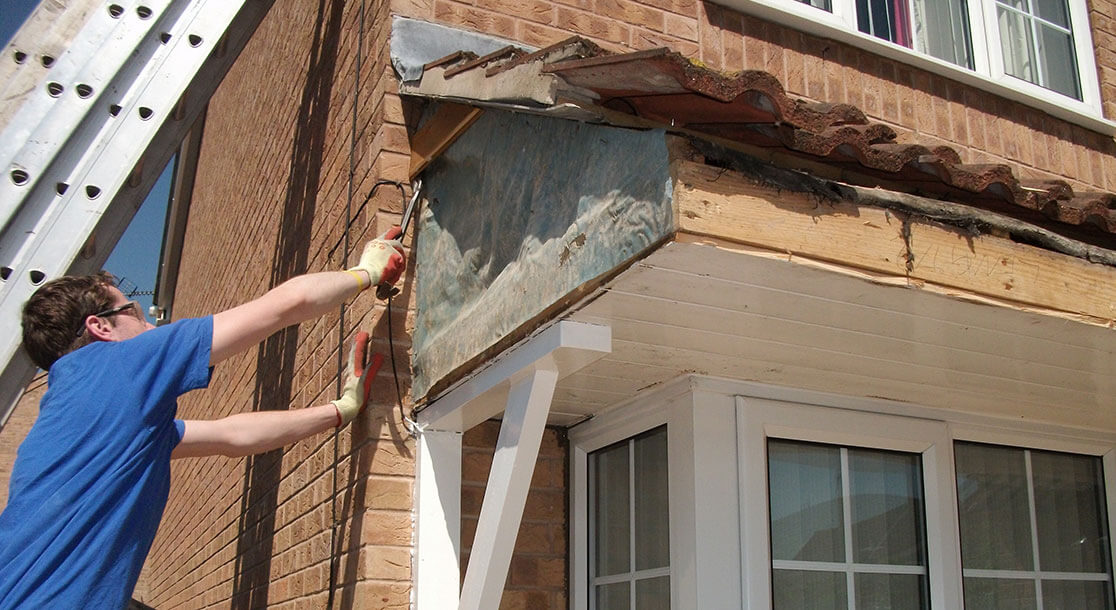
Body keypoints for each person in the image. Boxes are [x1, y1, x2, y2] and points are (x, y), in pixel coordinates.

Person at [0, 227, 406, 608]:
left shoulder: (91, 417)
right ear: (100, 327)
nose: (151, 323)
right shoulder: (112, 366)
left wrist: (340, 410)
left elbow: (230, 436)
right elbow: (283, 307)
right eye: (134, 311)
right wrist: (366, 273)